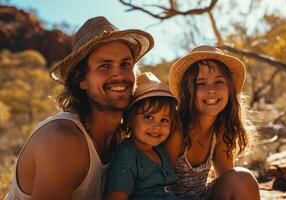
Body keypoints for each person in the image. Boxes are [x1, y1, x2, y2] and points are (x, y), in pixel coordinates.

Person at [5, 16, 154, 200]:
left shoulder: (122, 138)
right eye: (105, 66)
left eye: (125, 64)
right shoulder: (61, 140)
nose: (119, 74)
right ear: (81, 80)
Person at [166, 45, 260, 200]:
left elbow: (227, 178)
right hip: (164, 197)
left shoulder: (220, 129)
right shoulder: (177, 129)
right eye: (201, 83)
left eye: (219, 82)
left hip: (202, 196)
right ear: (188, 90)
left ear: (229, 88)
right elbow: (157, 184)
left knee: (243, 179)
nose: (211, 90)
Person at [105, 72, 180, 200]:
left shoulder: (161, 151)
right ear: (129, 119)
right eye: (148, 117)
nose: (157, 126)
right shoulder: (128, 153)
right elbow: (117, 195)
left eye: (164, 120)